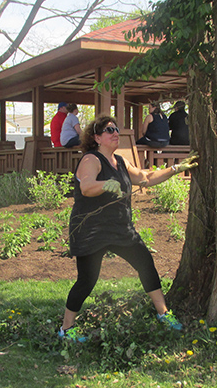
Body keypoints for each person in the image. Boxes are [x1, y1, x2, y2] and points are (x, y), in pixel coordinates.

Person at [59, 115, 199, 342]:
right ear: (97, 138)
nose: (116, 133)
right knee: (87, 280)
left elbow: (146, 177)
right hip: (91, 230)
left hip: (120, 228)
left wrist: (176, 168)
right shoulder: (91, 160)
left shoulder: (121, 162)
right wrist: (106, 184)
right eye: (109, 130)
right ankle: (66, 330)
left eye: (117, 129)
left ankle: (163, 314)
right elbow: (86, 187)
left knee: (146, 263)